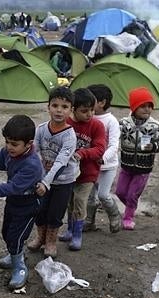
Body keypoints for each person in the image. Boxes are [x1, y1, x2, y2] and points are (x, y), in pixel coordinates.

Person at [0, 115, 43, 290]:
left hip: (28, 204)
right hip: (13, 202)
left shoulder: (32, 165)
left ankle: (19, 266)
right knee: (6, 232)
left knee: (16, 236)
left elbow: (13, 187)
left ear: (28, 144)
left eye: (14, 144)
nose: (9, 147)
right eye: (7, 142)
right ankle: (14, 254)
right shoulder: (8, 152)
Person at [27, 87, 78, 258]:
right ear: (48, 107)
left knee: (56, 213)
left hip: (63, 181)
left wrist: (46, 183)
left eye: (64, 107)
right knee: (40, 210)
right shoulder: (41, 129)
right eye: (55, 105)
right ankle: (40, 237)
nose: (59, 110)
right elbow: (35, 151)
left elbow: (61, 163)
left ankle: (50, 242)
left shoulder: (70, 136)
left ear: (71, 110)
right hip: (42, 179)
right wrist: (41, 172)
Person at [59, 88, 106, 251]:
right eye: (84, 111)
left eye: (92, 110)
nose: (89, 114)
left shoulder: (97, 126)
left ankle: (78, 235)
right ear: (73, 110)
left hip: (88, 174)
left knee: (80, 201)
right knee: (69, 202)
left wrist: (83, 153)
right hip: (70, 173)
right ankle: (71, 230)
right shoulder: (68, 125)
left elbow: (100, 149)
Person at [116, 87, 159, 230]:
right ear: (134, 107)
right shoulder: (124, 124)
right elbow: (113, 137)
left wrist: (154, 146)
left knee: (132, 194)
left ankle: (128, 217)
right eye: (143, 106)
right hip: (126, 165)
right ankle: (132, 206)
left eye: (150, 106)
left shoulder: (154, 125)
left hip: (143, 168)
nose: (147, 109)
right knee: (120, 192)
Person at [84, 84, 121, 233]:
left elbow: (113, 145)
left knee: (103, 195)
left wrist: (103, 158)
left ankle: (114, 215)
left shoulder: (111, 121)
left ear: (102, 102)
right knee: (90, 196)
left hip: (107, 166)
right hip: (91, 165)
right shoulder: (88, 118)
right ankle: (89, 221)